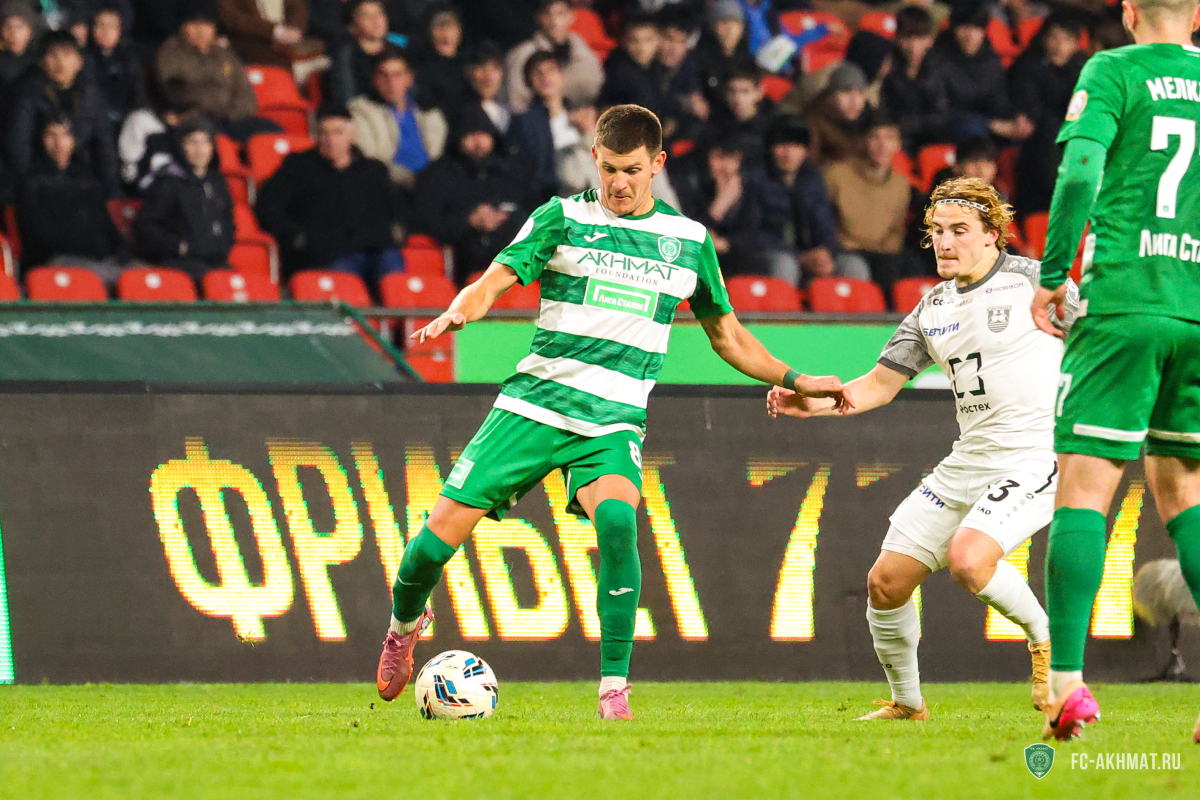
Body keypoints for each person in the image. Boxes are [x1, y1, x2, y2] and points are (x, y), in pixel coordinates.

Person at [378, 103, 850, 720]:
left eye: (631, 170)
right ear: (594, 160)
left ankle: (613, 690)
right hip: (533, 406)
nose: (618, 184)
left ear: (657, 164)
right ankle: (403, 627)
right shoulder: (562, 218)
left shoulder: (688, 241)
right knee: (428, 550)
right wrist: (461, 310)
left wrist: (798, 379)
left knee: (621, 523)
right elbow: (493, 280)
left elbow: (728, 337)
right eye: (608, 170)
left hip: (612, 421)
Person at [770, 177, 1079, 721]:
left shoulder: (1035, 281)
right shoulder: (930, 309)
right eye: (937, 230)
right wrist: (811, 404)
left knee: (969, 559)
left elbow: (1102, 337)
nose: (944, 241)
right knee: (885, 583)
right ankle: (908, 704)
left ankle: (1046, 641)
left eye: (959, 230)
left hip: (1033, 456)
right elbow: (878, 385)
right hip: (967, 461)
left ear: (993, 235)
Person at [1029, 0, 1200, 744]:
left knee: (1085, 488)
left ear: (1129, 10)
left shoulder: (1113, 70)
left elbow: (1079, 172)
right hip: (1194, 310)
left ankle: (1066, 684)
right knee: (1185, 490)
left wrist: (1051, 273)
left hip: (1124, 300)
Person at [255, 104, 402, 282]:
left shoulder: (374, 170)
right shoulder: (298, 167)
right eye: (324, 133)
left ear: (352, 134)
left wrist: (398, 231)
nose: (331, 140)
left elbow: (397, 209)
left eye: (338, 132)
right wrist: (298, 238)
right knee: (342, 285)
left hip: (377, 251)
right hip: (327, 255)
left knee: (395, 278)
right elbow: (268, 207)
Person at [412, 104, 532, 284]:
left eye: (483, 135)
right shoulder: (438, 175)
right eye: (471, 135)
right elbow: (425, 222)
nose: (478, 142)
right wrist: (469, 221)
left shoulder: (512, 172)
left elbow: (535, 210)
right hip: (465, 265)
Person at [6, 30, 121, 197]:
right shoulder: (26, 92)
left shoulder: (90, 95)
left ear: (79, 61)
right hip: (36, 179)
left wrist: (111, 192)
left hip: (80, 175)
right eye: (53, 55)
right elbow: (19, 148)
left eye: (67, 55)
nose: (60, 63)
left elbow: (104, 148)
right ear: (42, 62)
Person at [17, 116, 125, 280]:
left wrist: (122, 253)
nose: (59, 143)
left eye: (65, 135)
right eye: (51, 135)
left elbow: (108, 230)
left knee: (139, 273)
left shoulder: (88, 181)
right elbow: (38, 239)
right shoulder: (31, 184)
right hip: (54, 262)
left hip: (98, 261)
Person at [155, 10, 280, 142]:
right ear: (183, 27)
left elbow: (245, 93)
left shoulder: (225, 55)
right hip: (196, 118)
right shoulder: (171, 53)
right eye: (194, 24)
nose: (201, 30)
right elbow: (173, 88)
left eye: (206, 25)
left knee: (272, 131)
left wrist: (231, 114)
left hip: (230, 118)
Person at [133, 117, 234, 280]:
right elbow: (146, 226)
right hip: (179, 263)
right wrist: (179, 247)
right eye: (192, 142)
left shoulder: (218, 183)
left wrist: (222, 245)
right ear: (180, 147)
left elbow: (228, 221)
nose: (199, 149)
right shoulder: (168, 182)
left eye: (205, 142)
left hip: (215, 260)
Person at [824, 115, 915, 292]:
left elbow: (897, 229)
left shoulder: (901, 184)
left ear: (898, 145)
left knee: (907, 269)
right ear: (863, 141)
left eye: (889, 138)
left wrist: (887, 249)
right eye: (874, 137)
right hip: (846, 251)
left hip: (883, 253)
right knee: (860, 269)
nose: (882, 145)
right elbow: (823, 221)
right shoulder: (836, 175)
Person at [1008, 11, 1087, 215]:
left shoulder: (1082, 71)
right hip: (1037, 142)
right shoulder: (1027, 66)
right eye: (1054, 37)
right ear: (1043, 39)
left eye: (1066, 40)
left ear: (1076, 45)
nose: (1058, 45)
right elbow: (1031, 111)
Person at [923, 1, 1031, 142]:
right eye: (964, 28)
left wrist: (1016, 116)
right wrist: (989, 124)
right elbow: (940, 112)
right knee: (973, 130)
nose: (970, 35)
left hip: (986, 123)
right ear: (953, 28)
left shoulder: (990, 60)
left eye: (976, 28)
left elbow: (999, 99)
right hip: (950, 127)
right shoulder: (936, 59)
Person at [348, 46, 446, 189]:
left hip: (431, 185)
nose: (391, 82)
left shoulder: (428, 113)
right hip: (389, 187)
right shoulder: (361, 111)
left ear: (409, 79)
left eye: (397, 75)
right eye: (384, 75)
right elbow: (371, 161)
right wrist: (412, 179)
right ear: (375, 79)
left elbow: (437, 156)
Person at [758, 117, 840, 286]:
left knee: (853, 265)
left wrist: (826, 251)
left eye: (796, 146)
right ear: (770, 148)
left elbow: (825, 224)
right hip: (770, 254)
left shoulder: (813, 180)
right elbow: (754, 234)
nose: (788, 153)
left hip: (809, 255)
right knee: (786, 265)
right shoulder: (756, 180)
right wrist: (800, 257)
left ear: (805, 151)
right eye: (782, 145)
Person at [508, 50, 589, 202]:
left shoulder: (581, 116)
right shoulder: (524, 123)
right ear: (529, 82)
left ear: (562, 76)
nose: (545, 77)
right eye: (537, 73)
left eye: (551, 70)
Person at [504, 0, 603, 114]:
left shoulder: (583, 52)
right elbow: (517, 103)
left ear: (571, 16)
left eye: (560, 13)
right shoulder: (523, 55)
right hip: (536, 119)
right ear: (538, 18)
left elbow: (595, 90)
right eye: (547, 14)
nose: (554, 21)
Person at [881, 5, 942, 153]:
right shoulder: (887, 68)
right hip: (896, 140)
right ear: (897, 38)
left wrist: (907, 125)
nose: (913, 46)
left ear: (930, 39)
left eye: (920, 38)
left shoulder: (940, 68)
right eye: (907, 38)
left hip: (933, 138)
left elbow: (942, 114)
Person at [86, 5, 145, 139]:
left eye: (112, 26)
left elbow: (138, 95)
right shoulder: (83, 59)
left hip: (126, 120)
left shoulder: (131, 59)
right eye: (100, 25)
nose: (106, 31)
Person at [598, 13, 667, 117]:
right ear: (625, 42)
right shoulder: (619, 74)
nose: (641, 48)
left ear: (658, 41)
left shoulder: (659, 68)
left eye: (648, 40)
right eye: (634, 41)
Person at [806, 63, 873, 167]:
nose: (854, 101)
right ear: (831, 97)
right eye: (846, 92)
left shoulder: (870, 122)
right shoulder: (814, 125)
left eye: (860, 93)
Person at [329, 0, 393, 104]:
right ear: (353, 24)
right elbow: (347, 98)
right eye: (367, 16)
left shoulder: (397, 50)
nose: (376, 20)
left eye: (379, 13)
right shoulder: (345, 57)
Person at [216, 0, 311, 71]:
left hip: (285, 50)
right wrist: (273, 31)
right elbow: (233, 18)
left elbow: (297, 8)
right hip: (248, 50)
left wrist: (294, 29)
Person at [462, 40, 511, 136]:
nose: (488, 77)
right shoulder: (459, 114)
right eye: (481, 67)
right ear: (469, 72)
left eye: (495, 68)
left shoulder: (509, 115)